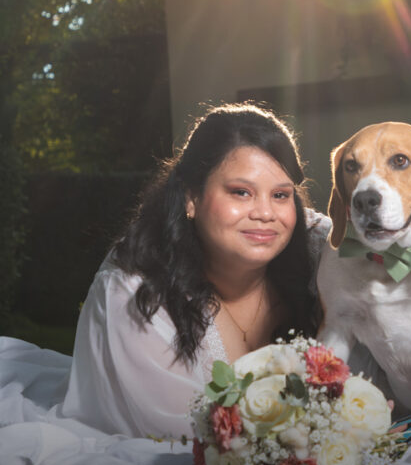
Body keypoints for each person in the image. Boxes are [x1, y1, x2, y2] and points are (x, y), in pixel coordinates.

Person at [58, 102, 330, 439]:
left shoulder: (319, 250)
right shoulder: (135, 289)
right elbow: (174, 433)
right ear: (191, 197)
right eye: (241, 192)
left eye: (280, 195)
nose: (265, 213)